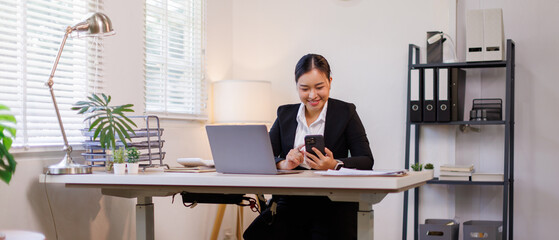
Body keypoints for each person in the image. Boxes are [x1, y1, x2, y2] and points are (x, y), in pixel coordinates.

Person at [244, 53, 374, 240]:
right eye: (304, 88)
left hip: (334, 203)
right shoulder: (285, 114)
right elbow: (262, 157)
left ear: (330, 82)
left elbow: (366, 160)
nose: (312, 95)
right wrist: (284, 164)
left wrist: (334, 165)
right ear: (296, 86)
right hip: (291, 203)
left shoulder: (346, 112)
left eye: (319, 87)